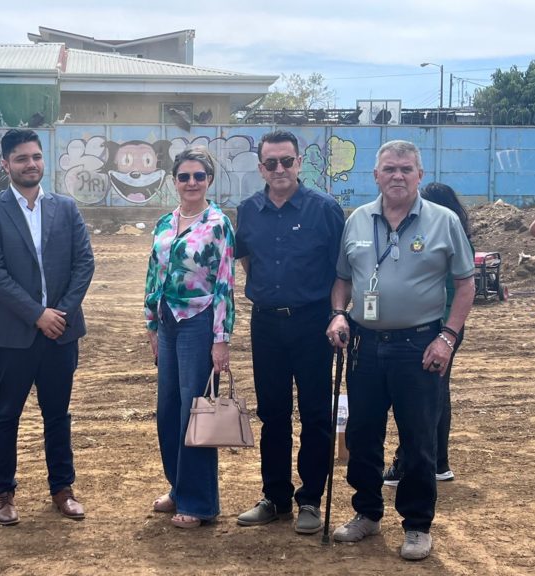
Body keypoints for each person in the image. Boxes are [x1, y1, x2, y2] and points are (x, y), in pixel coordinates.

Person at [326, 140, 475, 560]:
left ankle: (416, 525)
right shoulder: (356, 220)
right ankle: (367, 514)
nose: (397, 176)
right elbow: (342, 278)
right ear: (375, 176)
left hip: (420, 345)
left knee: (418, 439)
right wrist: (338, 313)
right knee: (362, 434)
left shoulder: (444, 221)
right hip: (365, 344)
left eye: (406, 169)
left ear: (419, 175)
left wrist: (447, 337)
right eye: (389, 168)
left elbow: (465, 284)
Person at [0, 128, 94, 526]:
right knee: (6, 415)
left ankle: (62, 489)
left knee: (57, 414)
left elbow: (84, 264)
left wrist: (60, 313)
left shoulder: (66, 208)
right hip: (11, 336)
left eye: (36, 157)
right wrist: (36, 315)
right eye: (22, 158)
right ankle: (3, 494)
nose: (31, 164)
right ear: (5, 164)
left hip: (62, 332)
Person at [234, 130, 345, 534]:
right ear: (261, 167)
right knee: (273, 414)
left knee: (316, 415)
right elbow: (248, 262)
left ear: (299, 163)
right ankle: (276, 497)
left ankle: (311, 499)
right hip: (266, 324)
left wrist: (337, 314)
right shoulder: (247, 210)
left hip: (313, 323)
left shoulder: (325, 209)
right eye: (270, 163)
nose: (279, 169)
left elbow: (340, 271)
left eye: (286, 161)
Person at [145, 145, 235, 529]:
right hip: (167, 323)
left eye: (199, 176)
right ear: (174, 181)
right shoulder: (165, 222)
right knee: (167, 410)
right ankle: (179, 487)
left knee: (193, 413)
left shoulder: (218, 223)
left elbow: (225, 284)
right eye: (184, 176)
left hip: (199, 322)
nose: (192, 182)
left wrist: (220, 339)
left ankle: (200, 503)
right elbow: (153, 274)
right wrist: (151, 324)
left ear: (209, 180)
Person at [383, 182, 473, 486]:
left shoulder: (441, 233)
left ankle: (409, 462)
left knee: (419, 399)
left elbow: (461, 287)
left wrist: (445, 333)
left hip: (439, 328)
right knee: (436, 395)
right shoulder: (456, 233)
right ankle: (438, 462)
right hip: (449, 326)